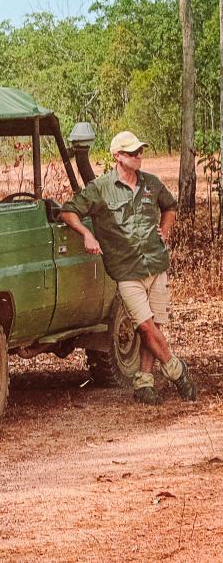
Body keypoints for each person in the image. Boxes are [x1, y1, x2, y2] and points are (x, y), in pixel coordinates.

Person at [60, 130, 197, 405]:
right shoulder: (101, 188)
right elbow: (67, 211)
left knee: (154, 325)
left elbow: (170, 206)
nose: (139, 156)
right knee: (146, 328)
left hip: (156, 264)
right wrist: (86, 234)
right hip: (126, 270)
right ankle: (176, 369)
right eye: (132, 153)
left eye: (140, 152)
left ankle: (144, 383)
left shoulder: (151, 184)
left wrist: (165, 229)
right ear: (117, 157)